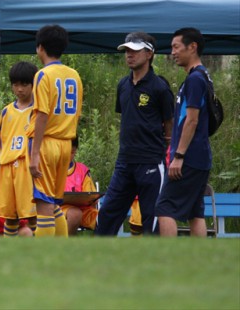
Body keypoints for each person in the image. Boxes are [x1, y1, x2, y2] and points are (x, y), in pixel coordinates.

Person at [95, 32, 173, 236]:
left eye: (135, 51)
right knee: (107, 215)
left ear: (149, 54)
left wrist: (165, 146)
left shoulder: (160, 87)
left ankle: (153, 264)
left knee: (152, 218)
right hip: (125, 162)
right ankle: (95, 261)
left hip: (151, 162)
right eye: (127, 50)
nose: (129, 55)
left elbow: (169, 123)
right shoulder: (123, 84)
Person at [156, 27, 213, 237]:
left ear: (193, 47)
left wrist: (178, 156)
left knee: (165, 207)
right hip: (200, 158)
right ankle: (198, 261)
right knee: (195, 212)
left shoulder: (195, 80)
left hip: (189, 158)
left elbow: (192, 120)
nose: (173, 52)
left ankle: (171, 262)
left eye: (176, 47)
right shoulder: (201, 76)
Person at [29, 25, 82, 237]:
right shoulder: (74, 75)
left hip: (47, 143)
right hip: (66, 143)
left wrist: (34, 154)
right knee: (54, 204)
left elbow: (42, 115)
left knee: (43, 205)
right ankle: (62, 248)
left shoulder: (43, 75)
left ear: (40, 48)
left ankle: (43, 259)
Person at [0, 61, 38, 237]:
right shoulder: (6, 112)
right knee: (10, 217)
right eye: (16, 84)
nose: (19, 89)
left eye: (24, 84)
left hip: (27, 167)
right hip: (7, 168)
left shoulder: (39, 111)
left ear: (34, 85)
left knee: (32, 214)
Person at [61, 137, 99, 235]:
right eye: (66, 151)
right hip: (59, 209)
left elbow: (91, 195)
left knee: (107, 218)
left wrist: (94, 199)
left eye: (72, 152)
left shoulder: (82, 170)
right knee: (75, 214)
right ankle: (65, 246)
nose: (69, 155)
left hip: (84, 210)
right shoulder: (52, 169)